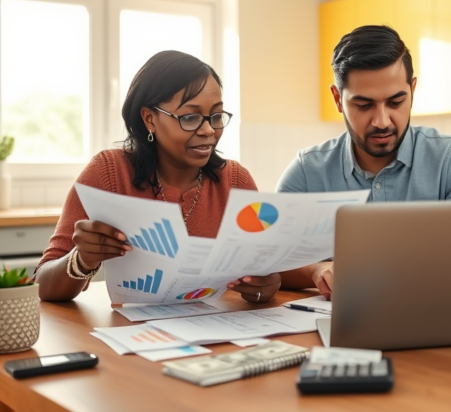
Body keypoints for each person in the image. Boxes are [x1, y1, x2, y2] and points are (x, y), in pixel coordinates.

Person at [36, 51, 280, 303]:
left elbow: (264, 275)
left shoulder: (236, 181)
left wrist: (264, 287)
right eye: (190, 117)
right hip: (134, 335)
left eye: (216, 116)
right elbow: (43, 285)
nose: (208, 130)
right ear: (149, 118)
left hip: (218, 332)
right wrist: (82, 259)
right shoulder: (109, 172)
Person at [276, 25, 451, 299]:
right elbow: (271, 261)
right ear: (337, 99)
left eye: (395, 102)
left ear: (412, 90)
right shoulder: (307, 170)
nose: (381, 121)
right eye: (364, 105)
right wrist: (317, 270)